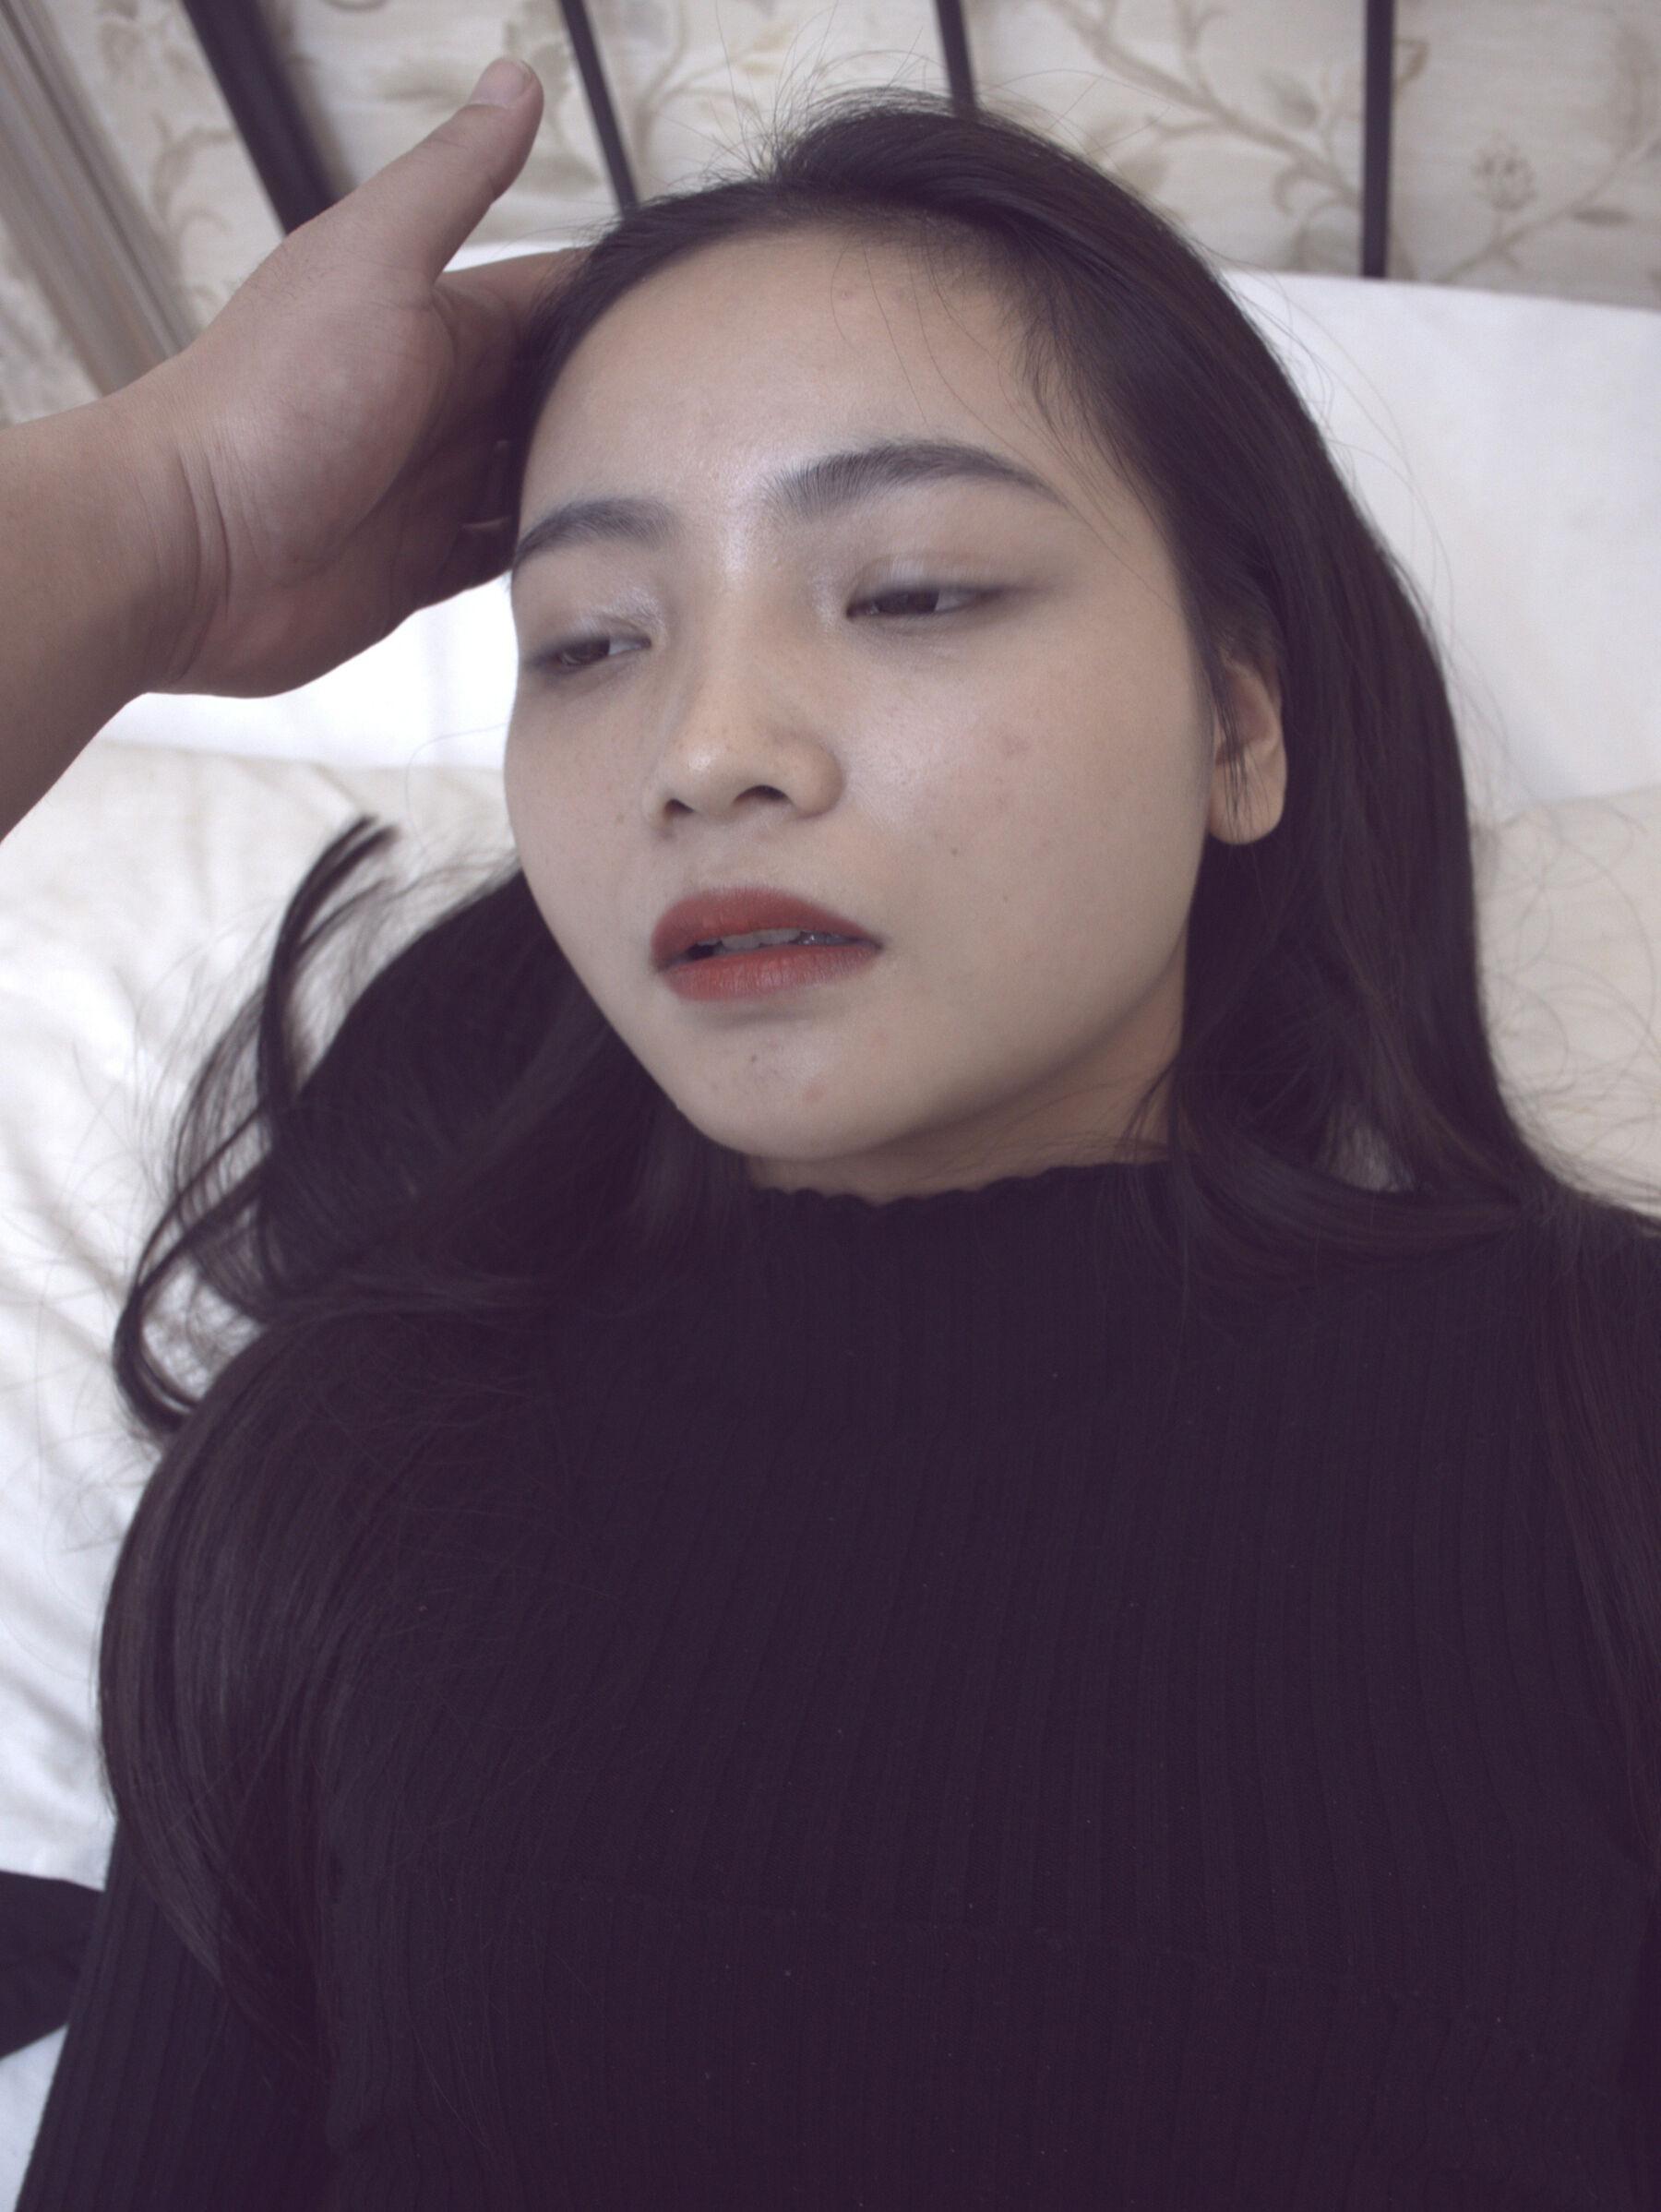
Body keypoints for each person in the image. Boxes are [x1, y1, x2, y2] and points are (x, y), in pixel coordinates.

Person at [4, 53, 1658, 2212]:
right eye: (592, 640)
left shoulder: (1602, 1418)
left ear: (1242, 723)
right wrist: (163, 525)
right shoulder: (339, 1480)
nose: (705, 747)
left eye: (914, 591)